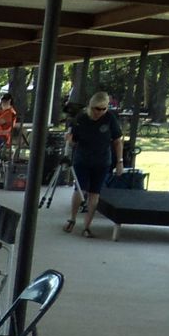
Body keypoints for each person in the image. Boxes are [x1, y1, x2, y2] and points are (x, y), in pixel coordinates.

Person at [62, 90, 124, 236]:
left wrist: (120, 161)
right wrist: (69, 140)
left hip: (102, 161)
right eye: (97, 109)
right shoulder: (82, 118)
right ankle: (72, 219)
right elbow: (74, 140)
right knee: (80, 189)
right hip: (82, 159)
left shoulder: (110, 118)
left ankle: (87, 226)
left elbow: (117, 141)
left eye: (104, 108)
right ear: (91, 107)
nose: (100, 112)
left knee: (94, 193)